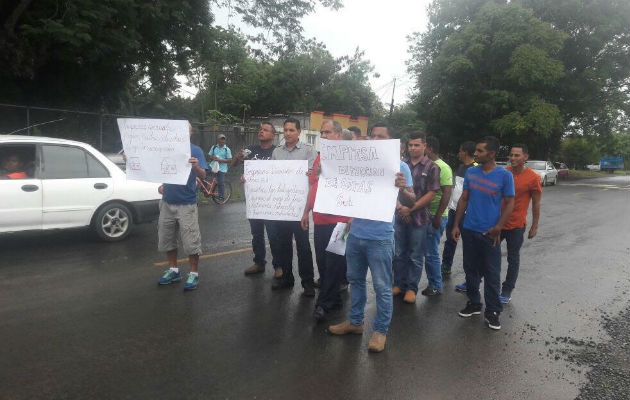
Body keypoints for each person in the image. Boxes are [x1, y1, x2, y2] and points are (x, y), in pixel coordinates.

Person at [328, 123, 416, 353]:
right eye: (373, 136)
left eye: (381, 137)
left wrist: (403, 188)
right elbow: (343, 185)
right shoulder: (360, 162)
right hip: (356, 235)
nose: (375, 139)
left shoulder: (400, 167)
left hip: (381, 237)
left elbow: (411, 200)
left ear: (390, 141)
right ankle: (355, 323)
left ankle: (380, 331)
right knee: (355, 280)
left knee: (382, 286)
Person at [452, 136, 514, 330]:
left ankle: (493, 311)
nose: (476, 154)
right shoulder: (471, 172)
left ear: (492, 154)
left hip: (490, 233)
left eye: (480, 151)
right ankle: (474, 303)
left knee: (491, 273)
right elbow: (464, 199)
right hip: (469, 229)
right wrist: (456, 225)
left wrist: (499, 227)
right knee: (470, 269)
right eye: (476, 151)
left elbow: (510, 202)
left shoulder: (504, 176)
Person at [301, 120, 350, 321]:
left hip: (341, 220)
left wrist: (351, 218)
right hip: (320, 218)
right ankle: (335, 299)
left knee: (334, 263)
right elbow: (313, 186)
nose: (324, 136)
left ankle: (323, 304)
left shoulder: (349, 157)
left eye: (327, 132)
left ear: (338, 134)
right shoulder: (320, 157)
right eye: (322, 132)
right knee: (322, 261)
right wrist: (306, 212)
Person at [157, 126, 208, 291]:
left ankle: (194, 273)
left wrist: (196, 167)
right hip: (167, 202)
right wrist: (131, 159)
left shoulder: (195, 150)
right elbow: (156, 167)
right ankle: (173, 270)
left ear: (190, 133)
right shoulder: (166, 150)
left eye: (187, 130)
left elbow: (203, 175)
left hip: (186, 203)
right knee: (167, 239)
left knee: (191, 241)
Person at [271, 117, 317, 296]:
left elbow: (314, 177)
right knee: (283, 245)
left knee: (303, 247)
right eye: (285, 130)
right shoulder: (277, 152)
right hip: (282, 207)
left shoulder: (308, 151)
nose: (288, 133)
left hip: (300, 208)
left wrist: (310, 174)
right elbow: (271, 177)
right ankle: (287, 279)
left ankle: (308, 283)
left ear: (299, 132)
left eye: (291, 130)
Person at [392, 132, 440, 304]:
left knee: (415, 254)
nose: (413, 148)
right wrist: (400, 207)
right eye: (411, 145)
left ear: (424, 146)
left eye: (417, 145)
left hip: (419, 218)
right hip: (399, 216)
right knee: (398, 253)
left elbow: (432, 194)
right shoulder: (399, 165)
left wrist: (410, 208)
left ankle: (411, 288)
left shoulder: (432, 167)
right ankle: (398, 284)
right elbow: (391, 188)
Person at [232, 121, 282, 279]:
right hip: (254, 200)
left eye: (266, 130)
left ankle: (278, 266)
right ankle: (259, 263)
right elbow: (233, 165)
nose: (261, 132)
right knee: (257, 234)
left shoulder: (278, 152)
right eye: (260, 129)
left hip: (272, 201)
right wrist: (238, 158)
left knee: (274, 235)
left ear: (273, 135)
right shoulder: (250, 150)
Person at [499, 143, 542, 304]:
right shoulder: (504, 173)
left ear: (525, 157)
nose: (512, 158)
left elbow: (536, 203)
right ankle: (474, 282)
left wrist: (534, 226)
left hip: (516, 226)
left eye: (517, 155)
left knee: (513, 258)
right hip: (498, 223)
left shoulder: (533, 177)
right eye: (511, 155)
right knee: (487, 254)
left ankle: (507, 289)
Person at [421, 136, 453, 296]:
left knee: (430, 252)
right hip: (424, 214)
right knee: (425, 251)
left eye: (424, 146)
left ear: (430, 149)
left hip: (435, 216)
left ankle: (435, 285)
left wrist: (439, 216)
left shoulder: (443, 167)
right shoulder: (426, 165)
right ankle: (433, 283)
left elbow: (447, 193)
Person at [441, 141, 476, 279]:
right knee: (450, 239)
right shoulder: (460, 167)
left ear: (465, 152)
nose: (458, 153)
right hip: (454, 209)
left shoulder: (475, 169)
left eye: (460, 150)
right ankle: (446, 265)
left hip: (467, 213)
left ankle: (470, 275)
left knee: (468, 244)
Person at [208, 134, 232, 201]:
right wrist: (213, 157)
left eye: (224, 140)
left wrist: (220, 160)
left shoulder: (227, 150)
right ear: (218, 140)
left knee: (220, 182)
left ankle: (222, 196)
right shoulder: (214, 147)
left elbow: (230, 160)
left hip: (222, 168)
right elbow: (209, 156)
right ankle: (207, 189)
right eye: (221, 139)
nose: (222, 141)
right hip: (212, 165)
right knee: (203, 173)